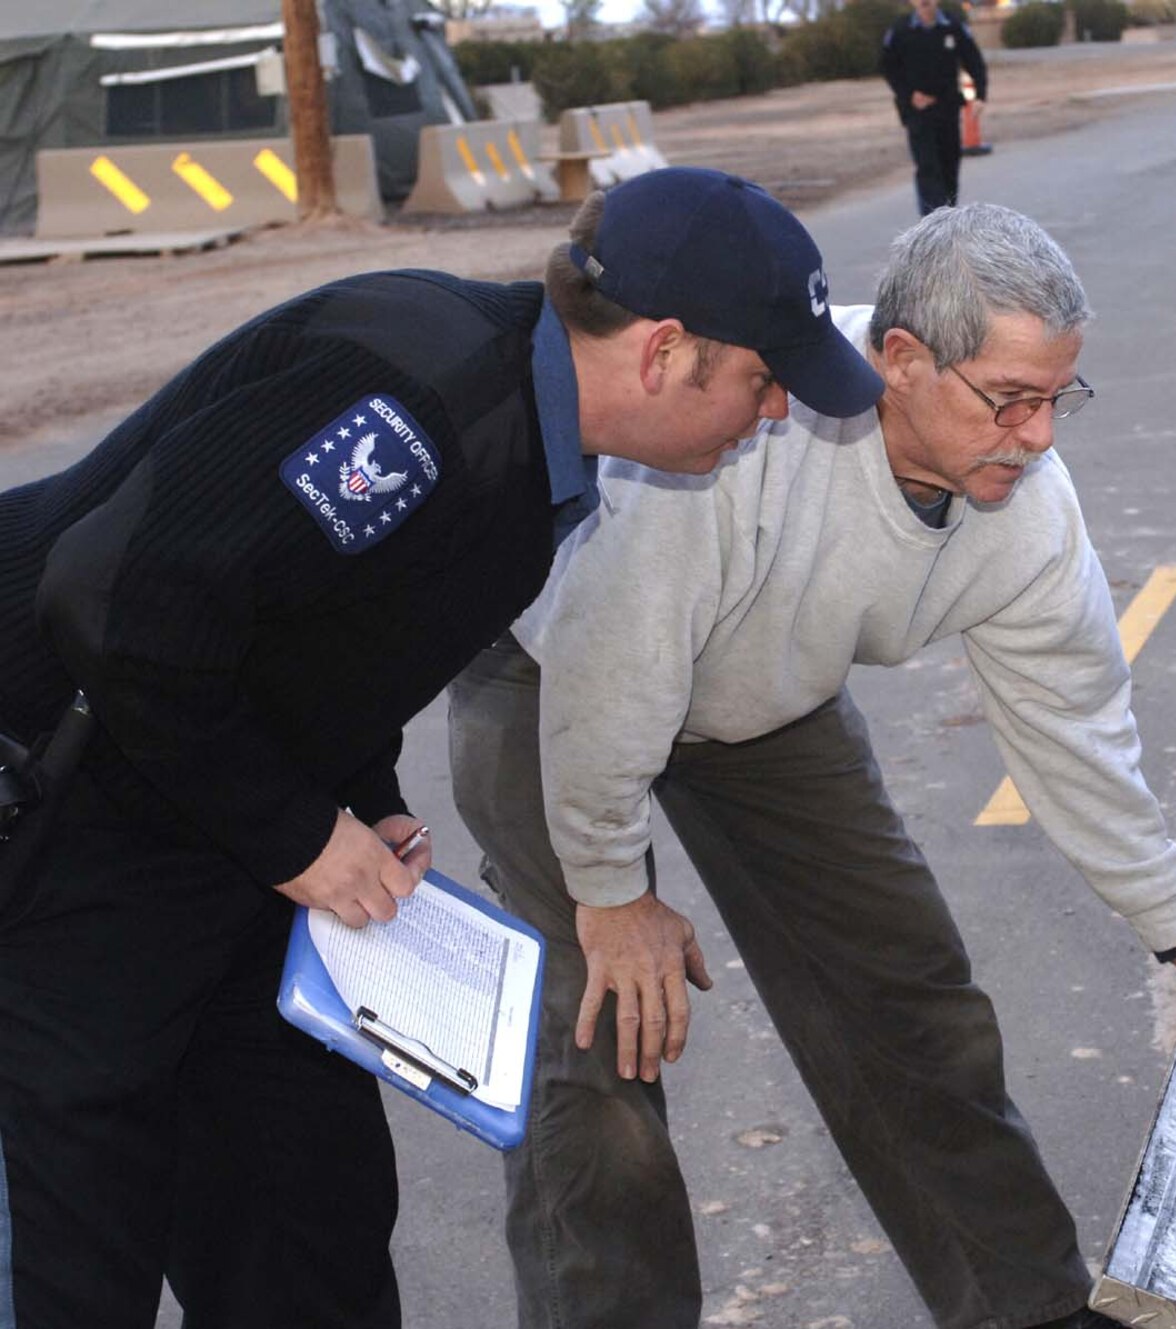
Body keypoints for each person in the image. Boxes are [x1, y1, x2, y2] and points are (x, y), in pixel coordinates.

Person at [0, 166, 881, 1329]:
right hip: (63, 824)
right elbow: (116, 602)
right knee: (77, 1256)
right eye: (765, 381)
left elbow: (301, 627)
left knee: (308, 1227)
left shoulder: (531, 453)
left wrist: (356, 803)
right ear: (664, 352)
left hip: (215, 837)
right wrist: (299, 833)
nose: (775, 415)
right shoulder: (418, 408)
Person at [448, 202, 1176, 1329]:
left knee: (911, 999)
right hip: (556, 674)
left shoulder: (1025, 511)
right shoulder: (746, 421)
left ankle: (1026, 1310)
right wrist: (612, 895)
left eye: (1059, 398)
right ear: (899, 360)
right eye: (1010, 399)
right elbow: (617, 664)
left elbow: (1074, 724)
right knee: (596, 1041)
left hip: (764, 698)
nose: (1040, 435)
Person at [881, 0, 988, 215]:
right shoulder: (901, 30)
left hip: (947, 108)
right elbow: (888, 67)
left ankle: (948, 219)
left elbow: (973, 60)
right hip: (917, 112)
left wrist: (980, 95)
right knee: (927, 167)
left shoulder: (952, 26)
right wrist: (909, 95)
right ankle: (932, 224)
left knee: (949, 164)